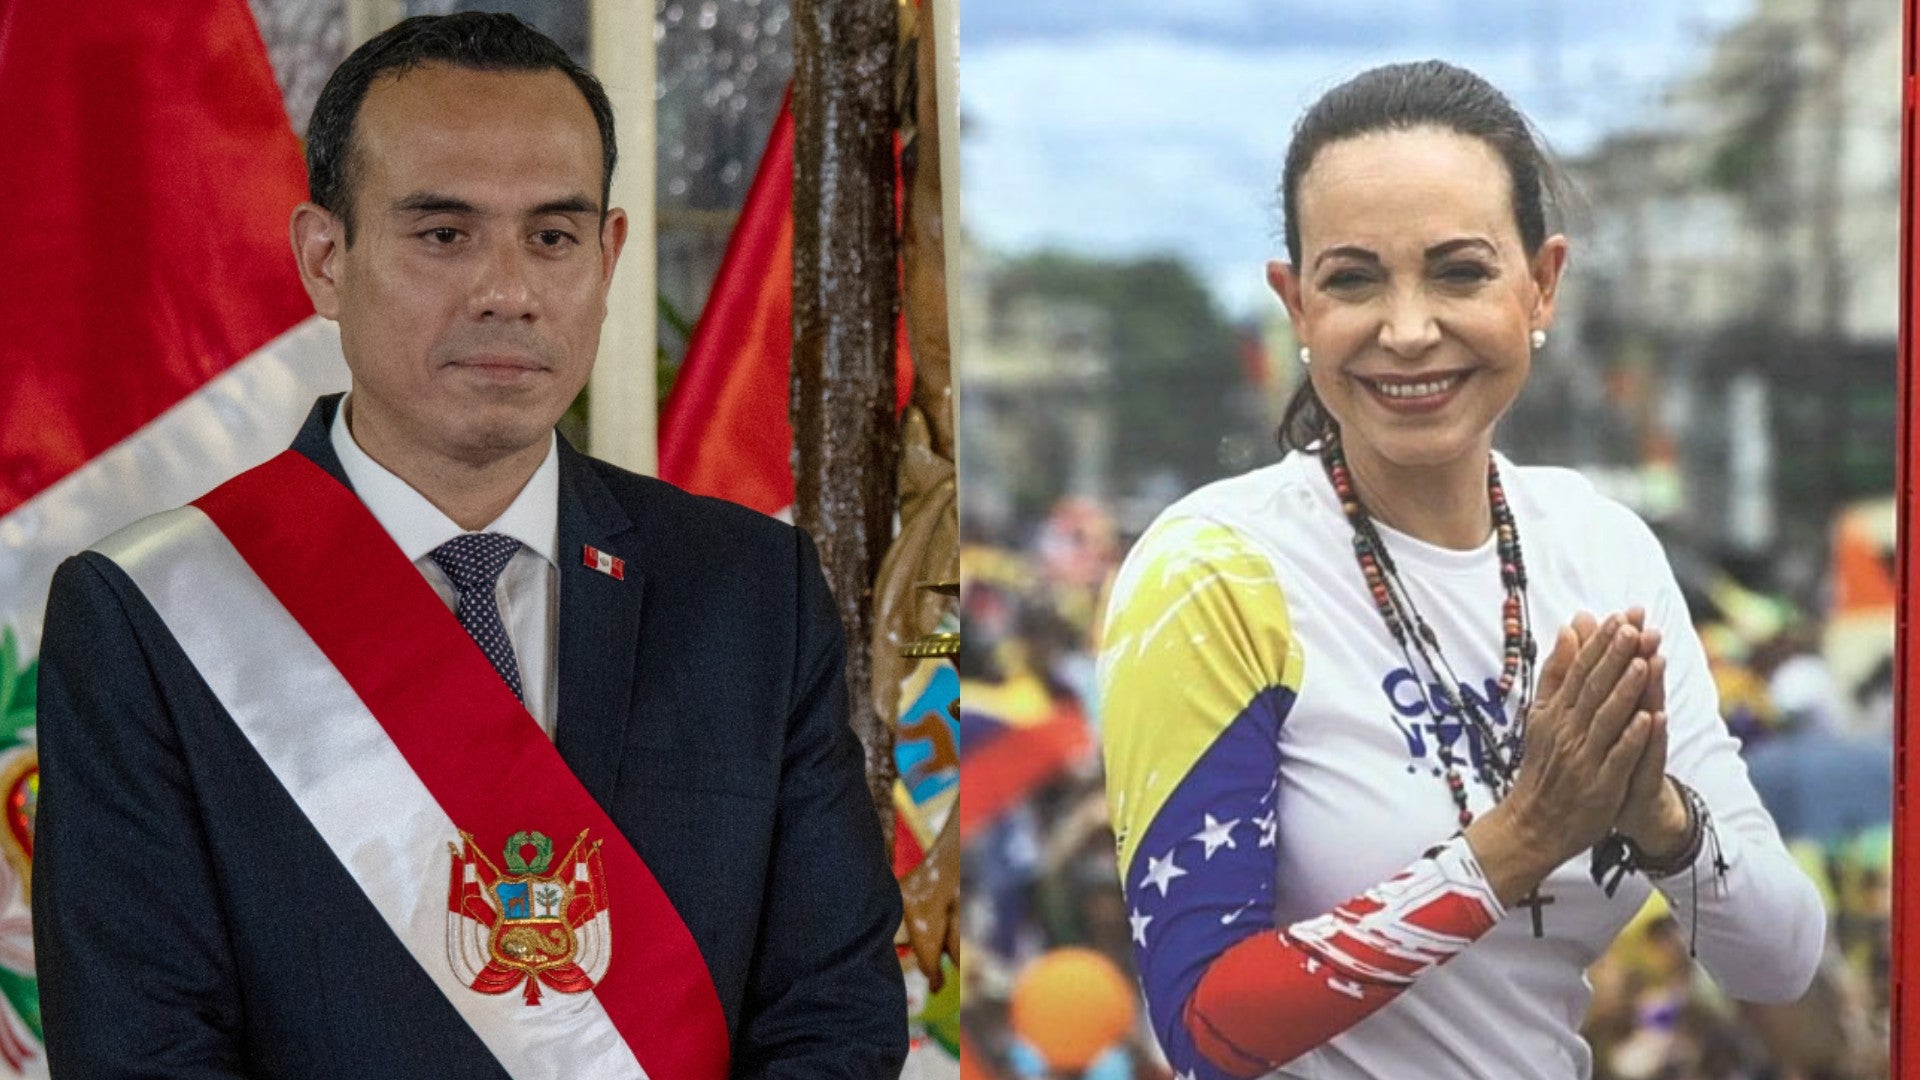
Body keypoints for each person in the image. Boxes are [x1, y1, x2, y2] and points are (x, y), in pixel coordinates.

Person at [33, 14, 906, 1078]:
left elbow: (835, 1019)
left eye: (552, 235)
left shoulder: (749, 589)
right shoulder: (149, 613)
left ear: (609, 254)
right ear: (324, 258)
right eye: (444, 234)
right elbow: (141, 1050)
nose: (508, 289)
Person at [1098, 61, 1823, 1080]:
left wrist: (1654, 816)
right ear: (1295, 305)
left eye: (1459, 271)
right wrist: (1520, 840)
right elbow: (1207, 1028)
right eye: (1353, 279)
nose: (1406, 328)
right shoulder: (1212, 570)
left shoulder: (1602, 544)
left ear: (1544, 282)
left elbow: (1781, 958)